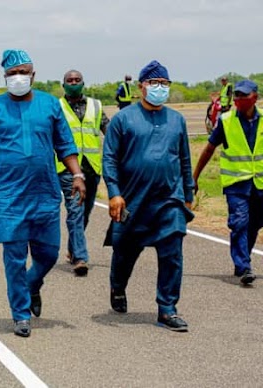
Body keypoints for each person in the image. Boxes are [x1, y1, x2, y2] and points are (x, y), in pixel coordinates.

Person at [0, 49, 85, 337]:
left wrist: (77, 174)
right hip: (8, 196)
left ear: (33, 74)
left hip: (44, 192)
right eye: (12, 74)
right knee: (14, 257)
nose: (18, 78)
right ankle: (20, 314)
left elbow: (65, 144)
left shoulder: (50, 105)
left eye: (23, 72)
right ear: (5, 77)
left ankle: (32, 284)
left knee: (49, 254)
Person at [103, 60, 195, 332]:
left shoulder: (176, 120)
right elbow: (109, 159)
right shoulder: (123, 119)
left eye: (164, 84)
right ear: (141, 87)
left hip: (169, 200)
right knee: (125, 253)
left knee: (172, 253)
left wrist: (187, 193)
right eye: (154, 83)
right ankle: (118, 286)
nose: (159, 88)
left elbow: (185, 160)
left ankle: (167, 309)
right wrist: (114, 193)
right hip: (133, 199)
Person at [193, 79, 263, 286]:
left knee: (254, 225)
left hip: (259, 183)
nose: (239, 100)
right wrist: (195, 176)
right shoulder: (226, 120)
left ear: (255, 98)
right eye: (237, 96)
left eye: (244, 96)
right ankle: (244, 267)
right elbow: (209, 149)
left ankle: (243, 258)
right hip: (236, 183)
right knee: (239, 222)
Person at [57, 69, 109, 276]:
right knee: (75, 210)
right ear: (63, 85)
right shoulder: (57, 107)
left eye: (77, 80)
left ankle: (72, 248)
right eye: (69, 80)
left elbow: (109, 129)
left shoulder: (95, 106)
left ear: (83, 83)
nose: (73, 82)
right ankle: (80, 257)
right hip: (68, 168)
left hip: (92, 167)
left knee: (85, 213)